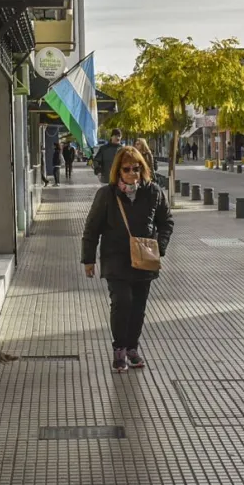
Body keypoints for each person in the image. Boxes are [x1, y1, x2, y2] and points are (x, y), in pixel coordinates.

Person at [82, 147, 174, 372]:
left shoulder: (153, 192)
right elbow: (92, 228)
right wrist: (88, 259)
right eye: (127, 169)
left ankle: (132, 348)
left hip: (144, 259)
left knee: (138, 307)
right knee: (122, 302)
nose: (133, 173)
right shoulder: (107, 195)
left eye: (137, 168)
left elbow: (166, 222)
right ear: (118, 171)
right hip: (116, 259)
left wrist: (159, 247)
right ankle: (119, 349)